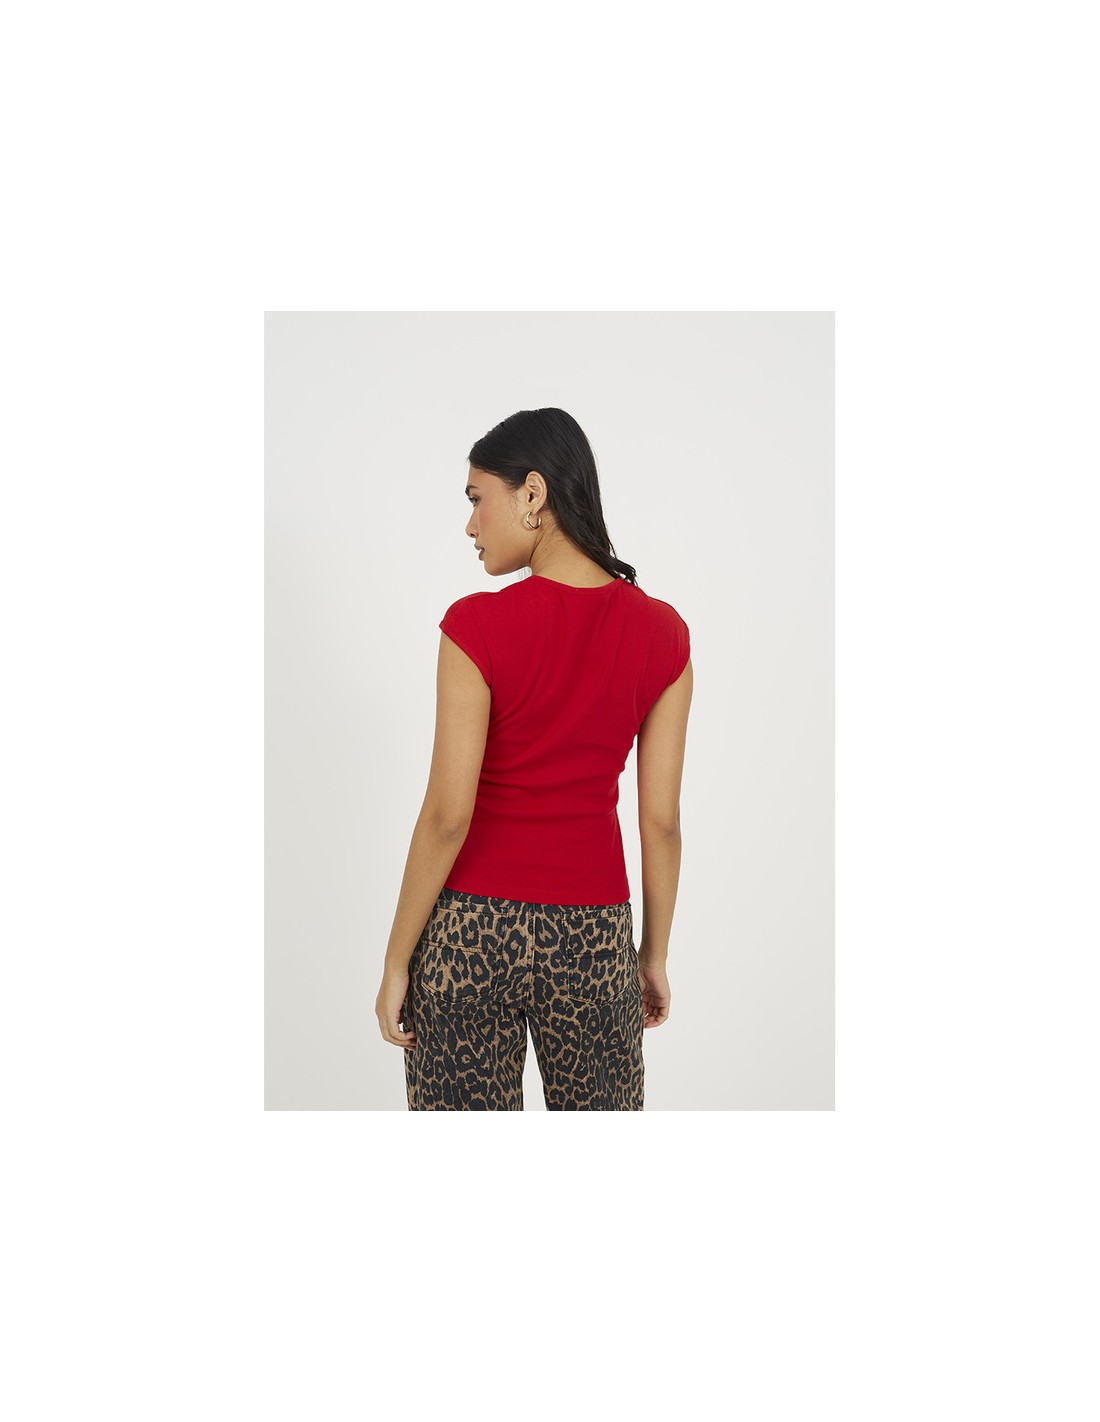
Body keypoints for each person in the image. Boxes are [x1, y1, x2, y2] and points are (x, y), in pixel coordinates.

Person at [374, 407, 692, 1109]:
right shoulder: (663, 635)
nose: (470, 524)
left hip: (468, 933)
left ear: (533, 493)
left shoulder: (476, 626)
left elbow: (447, 815)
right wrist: (651, 956)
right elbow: (662, 823)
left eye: (475, 498)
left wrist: (397, 960)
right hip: (592, 935)